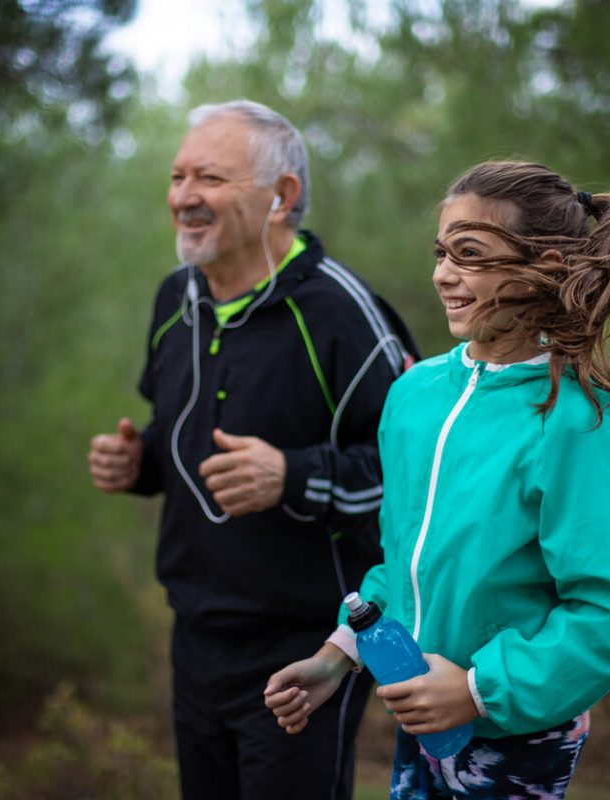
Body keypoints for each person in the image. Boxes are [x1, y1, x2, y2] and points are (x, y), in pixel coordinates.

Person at [264, 161, 610, 799]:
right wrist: (339, 656)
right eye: (441, 252)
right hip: (421, 721)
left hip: (519, 736)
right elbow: (401, 566)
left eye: (470, 255)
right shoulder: (413, 396)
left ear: (539, 267)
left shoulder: (575, 423)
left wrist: (473, 691)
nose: (442, 273)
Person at [87, 100, 418, 800]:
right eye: (177, 177)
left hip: (309, 641)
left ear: (282, 197)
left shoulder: (342, 312)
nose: (183, 197)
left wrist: (293, 477)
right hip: (196, 634)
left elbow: (417, 478)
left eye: (208, 177)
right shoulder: (173, 299)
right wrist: (139, 463)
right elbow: (176, 429)